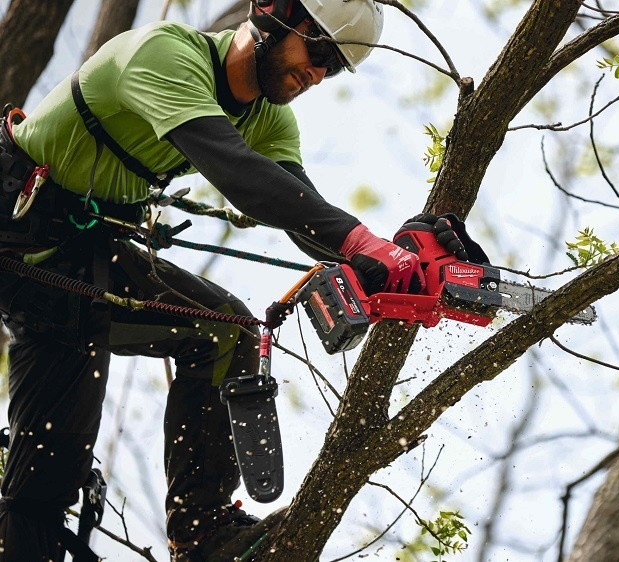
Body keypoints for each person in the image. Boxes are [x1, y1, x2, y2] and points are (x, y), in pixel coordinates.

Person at [0, 0, 448, 560]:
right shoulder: (166, 54)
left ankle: (202, 535)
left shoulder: (269, 118)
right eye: (319, 51)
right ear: (276, 13)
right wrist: (359, 243)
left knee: (220, 334)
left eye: (333, 67)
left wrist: (393, 255)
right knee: (49, 479)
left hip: (84, 255)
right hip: (23, 235)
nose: (318, 73)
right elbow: (241, 175)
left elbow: (299, 208)